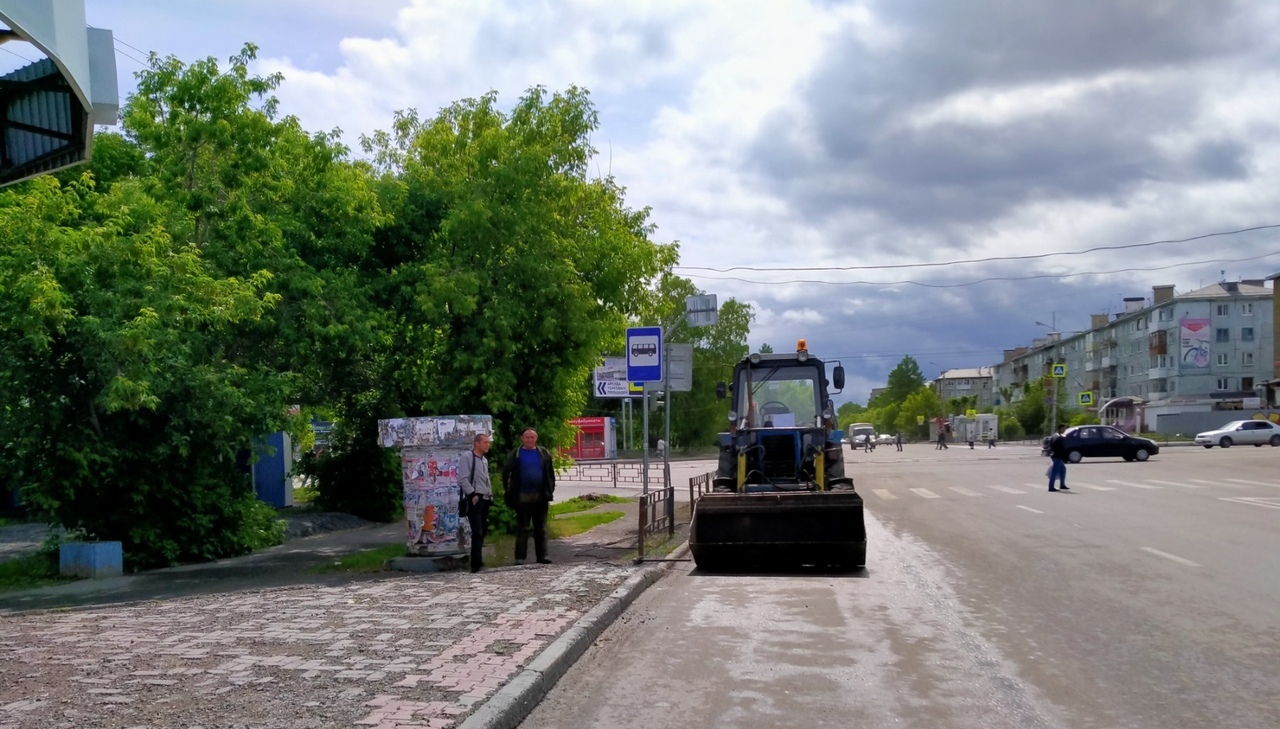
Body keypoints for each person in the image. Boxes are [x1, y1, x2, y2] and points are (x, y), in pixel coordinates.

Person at [503, 427, 556, 565]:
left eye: (532, 437)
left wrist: (550, 490)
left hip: (540, 496)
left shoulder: (543, 453)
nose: (530, 440)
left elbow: (550, 474)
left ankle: (542, 556)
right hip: (522, 497)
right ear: (522, 438)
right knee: (523, 528)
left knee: (541, 528)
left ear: (536, 438)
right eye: (527, 437)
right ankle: (520, 557)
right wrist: (510, 493)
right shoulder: (516, 454)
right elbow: (506, 474)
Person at [457, 433, 493, 572]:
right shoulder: (467, 457)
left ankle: (479, 561)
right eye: (485, 442)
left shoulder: (484, 460)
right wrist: (472, 494)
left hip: (485, 497)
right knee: (477, 531)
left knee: (482, 530)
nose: (487, 445)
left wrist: (490, 494)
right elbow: (462, 479)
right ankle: (476, 565)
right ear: (477, 443)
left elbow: (485, 478)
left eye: (488, 442)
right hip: (475, 497)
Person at [1046, 425, 1070, 492]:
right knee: (1054, 471)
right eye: (1063, 429)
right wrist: (1064, 455)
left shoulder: (1054, 436)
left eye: (1064, 429)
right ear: (1059, 429)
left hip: (1056, 455)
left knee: (1063, 469)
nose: (1064, 430)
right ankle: (1051, 487)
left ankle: (1062, 484)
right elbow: (1060, 448)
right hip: (1057, 456)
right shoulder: (1058, 438)